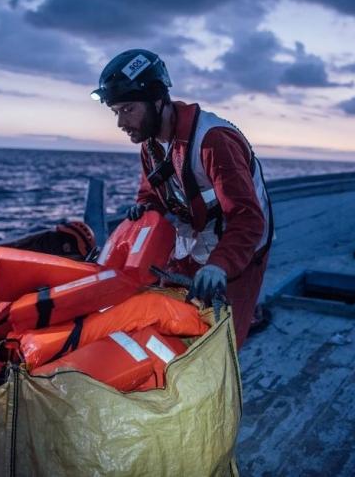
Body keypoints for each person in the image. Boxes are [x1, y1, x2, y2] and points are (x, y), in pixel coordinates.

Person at [91, 49, 273, 348]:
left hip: (240, 248)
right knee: (169, 316)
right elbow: (152, 192)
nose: (120, 123)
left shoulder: (213, 141)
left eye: (128, 109)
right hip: (193, 240)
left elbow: (248, 219)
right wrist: (146, 207)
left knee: (221, 343)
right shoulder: (151, 146)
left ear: (157, 100)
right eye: (116, 112)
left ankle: (246, 318)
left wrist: (219, 265)